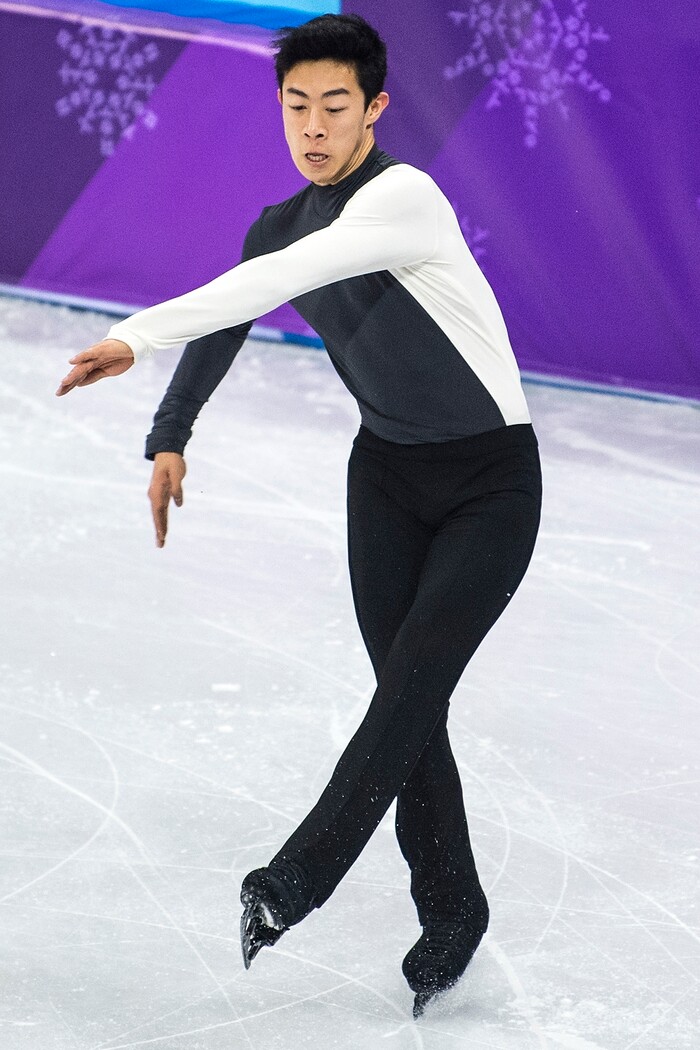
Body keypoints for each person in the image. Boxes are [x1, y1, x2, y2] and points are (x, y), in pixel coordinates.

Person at [57, 13, 542, 1018]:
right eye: (295, 107)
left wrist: (135, 334)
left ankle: (292, 883)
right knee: (412, 705)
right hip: (386, 483)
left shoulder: (401, 199)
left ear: (373, 108)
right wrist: (169, 433)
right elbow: (238, 309)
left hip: (490, 487)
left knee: (407, 695)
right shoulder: (278, 223)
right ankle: (453, 909)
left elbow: (276, 282)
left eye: (333, 106)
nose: (312, 127)